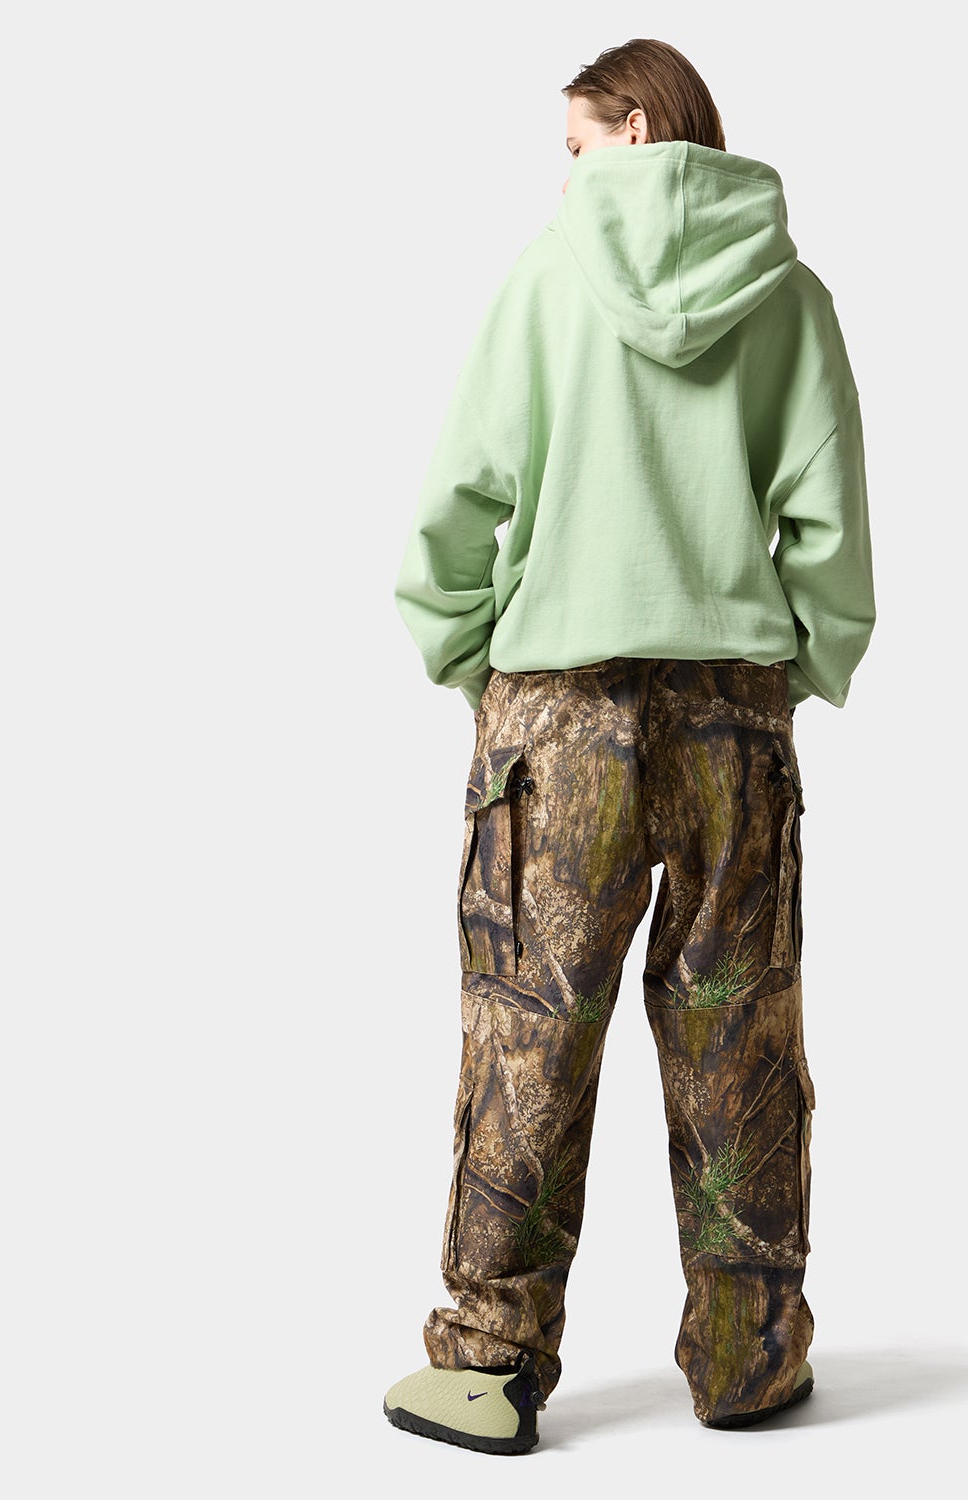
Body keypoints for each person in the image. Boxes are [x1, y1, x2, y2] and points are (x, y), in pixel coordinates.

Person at [382, 37, 875, 1455]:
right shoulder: (789, 293)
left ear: (639, 125)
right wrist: (800, 669)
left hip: (559, 712)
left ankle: (489, 1365)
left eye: (577, 143)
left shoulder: (545, 280)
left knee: (531, 1026)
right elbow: (829, 523)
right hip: (732, 714)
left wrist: (473, 659)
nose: (566, 174)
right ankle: (749, 1358)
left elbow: (460, 500)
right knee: (739, 1027)